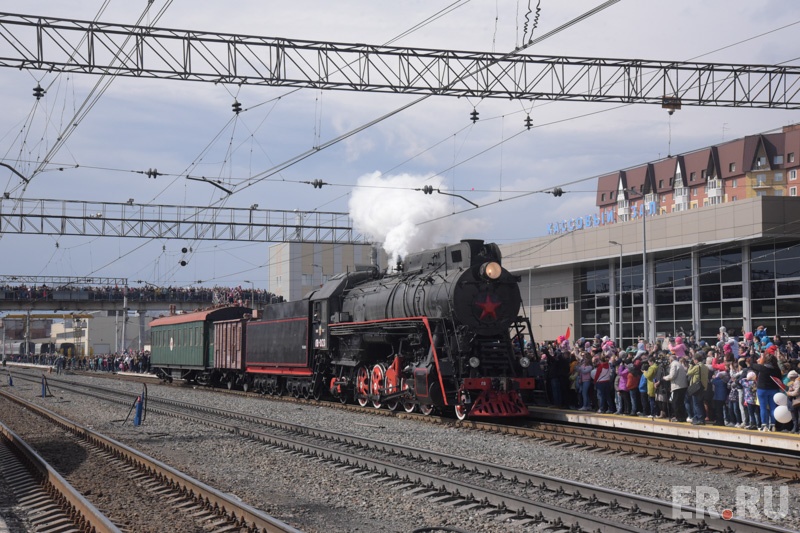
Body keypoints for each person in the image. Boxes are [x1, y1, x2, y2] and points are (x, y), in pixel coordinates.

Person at [750, 347, 783, 431]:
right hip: (773, 390)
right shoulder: (777, 370)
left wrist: (752, 354)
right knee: (773, 407)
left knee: (763, 407)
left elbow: (751, 365)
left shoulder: (762, 368)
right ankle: (773, 425)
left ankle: (764, 425)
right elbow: (779, 379)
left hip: (762, 389)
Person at [659, 353, 688, 422]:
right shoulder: (678, 364)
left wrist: (664, 378)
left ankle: (678, 417)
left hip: (677, 386)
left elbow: (672, 376)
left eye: (669, 360)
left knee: (675, 403)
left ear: (671, 360)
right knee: (680, 402)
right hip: (683, 386)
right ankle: (682, 417)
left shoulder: (674, 365)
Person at [687, 353, 709, 425]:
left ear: (696, 360)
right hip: (703, 387)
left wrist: (690, 365)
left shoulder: (697, 367)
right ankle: (698, 418)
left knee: (696, 403)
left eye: (694, 360)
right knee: (700, 403)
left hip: (697, 387)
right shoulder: (705, 367)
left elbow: (689, 373)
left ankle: (700, 419)